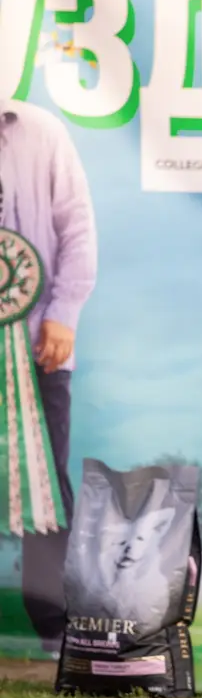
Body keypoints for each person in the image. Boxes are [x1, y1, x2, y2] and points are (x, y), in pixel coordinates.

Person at [0, 99, 99, 655]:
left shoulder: (41, 132)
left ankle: (56, 627)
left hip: (36, 345)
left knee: (44, 482)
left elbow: (77, 228)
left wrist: (64, 313)